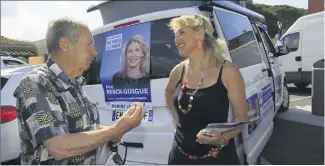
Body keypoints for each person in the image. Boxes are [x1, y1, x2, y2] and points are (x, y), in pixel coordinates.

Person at [13, 17, 145, 165]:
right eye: (89, 44)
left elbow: (84, 128)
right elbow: (58, 146)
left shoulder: (75, 82)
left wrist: (114, 131)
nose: (94, 52)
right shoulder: (35, 84)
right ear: (65, 45)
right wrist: (113, 131)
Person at [165, 14, 247, 165]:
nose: (176, 40)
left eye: (181, 32)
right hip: (180, 157)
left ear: (200, 34)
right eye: (175, 35)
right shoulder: (178, 71)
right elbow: (169, 92)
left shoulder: (228, 71)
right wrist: (178, 120)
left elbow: (241, 117)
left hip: (218, 159)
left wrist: (223, 137)